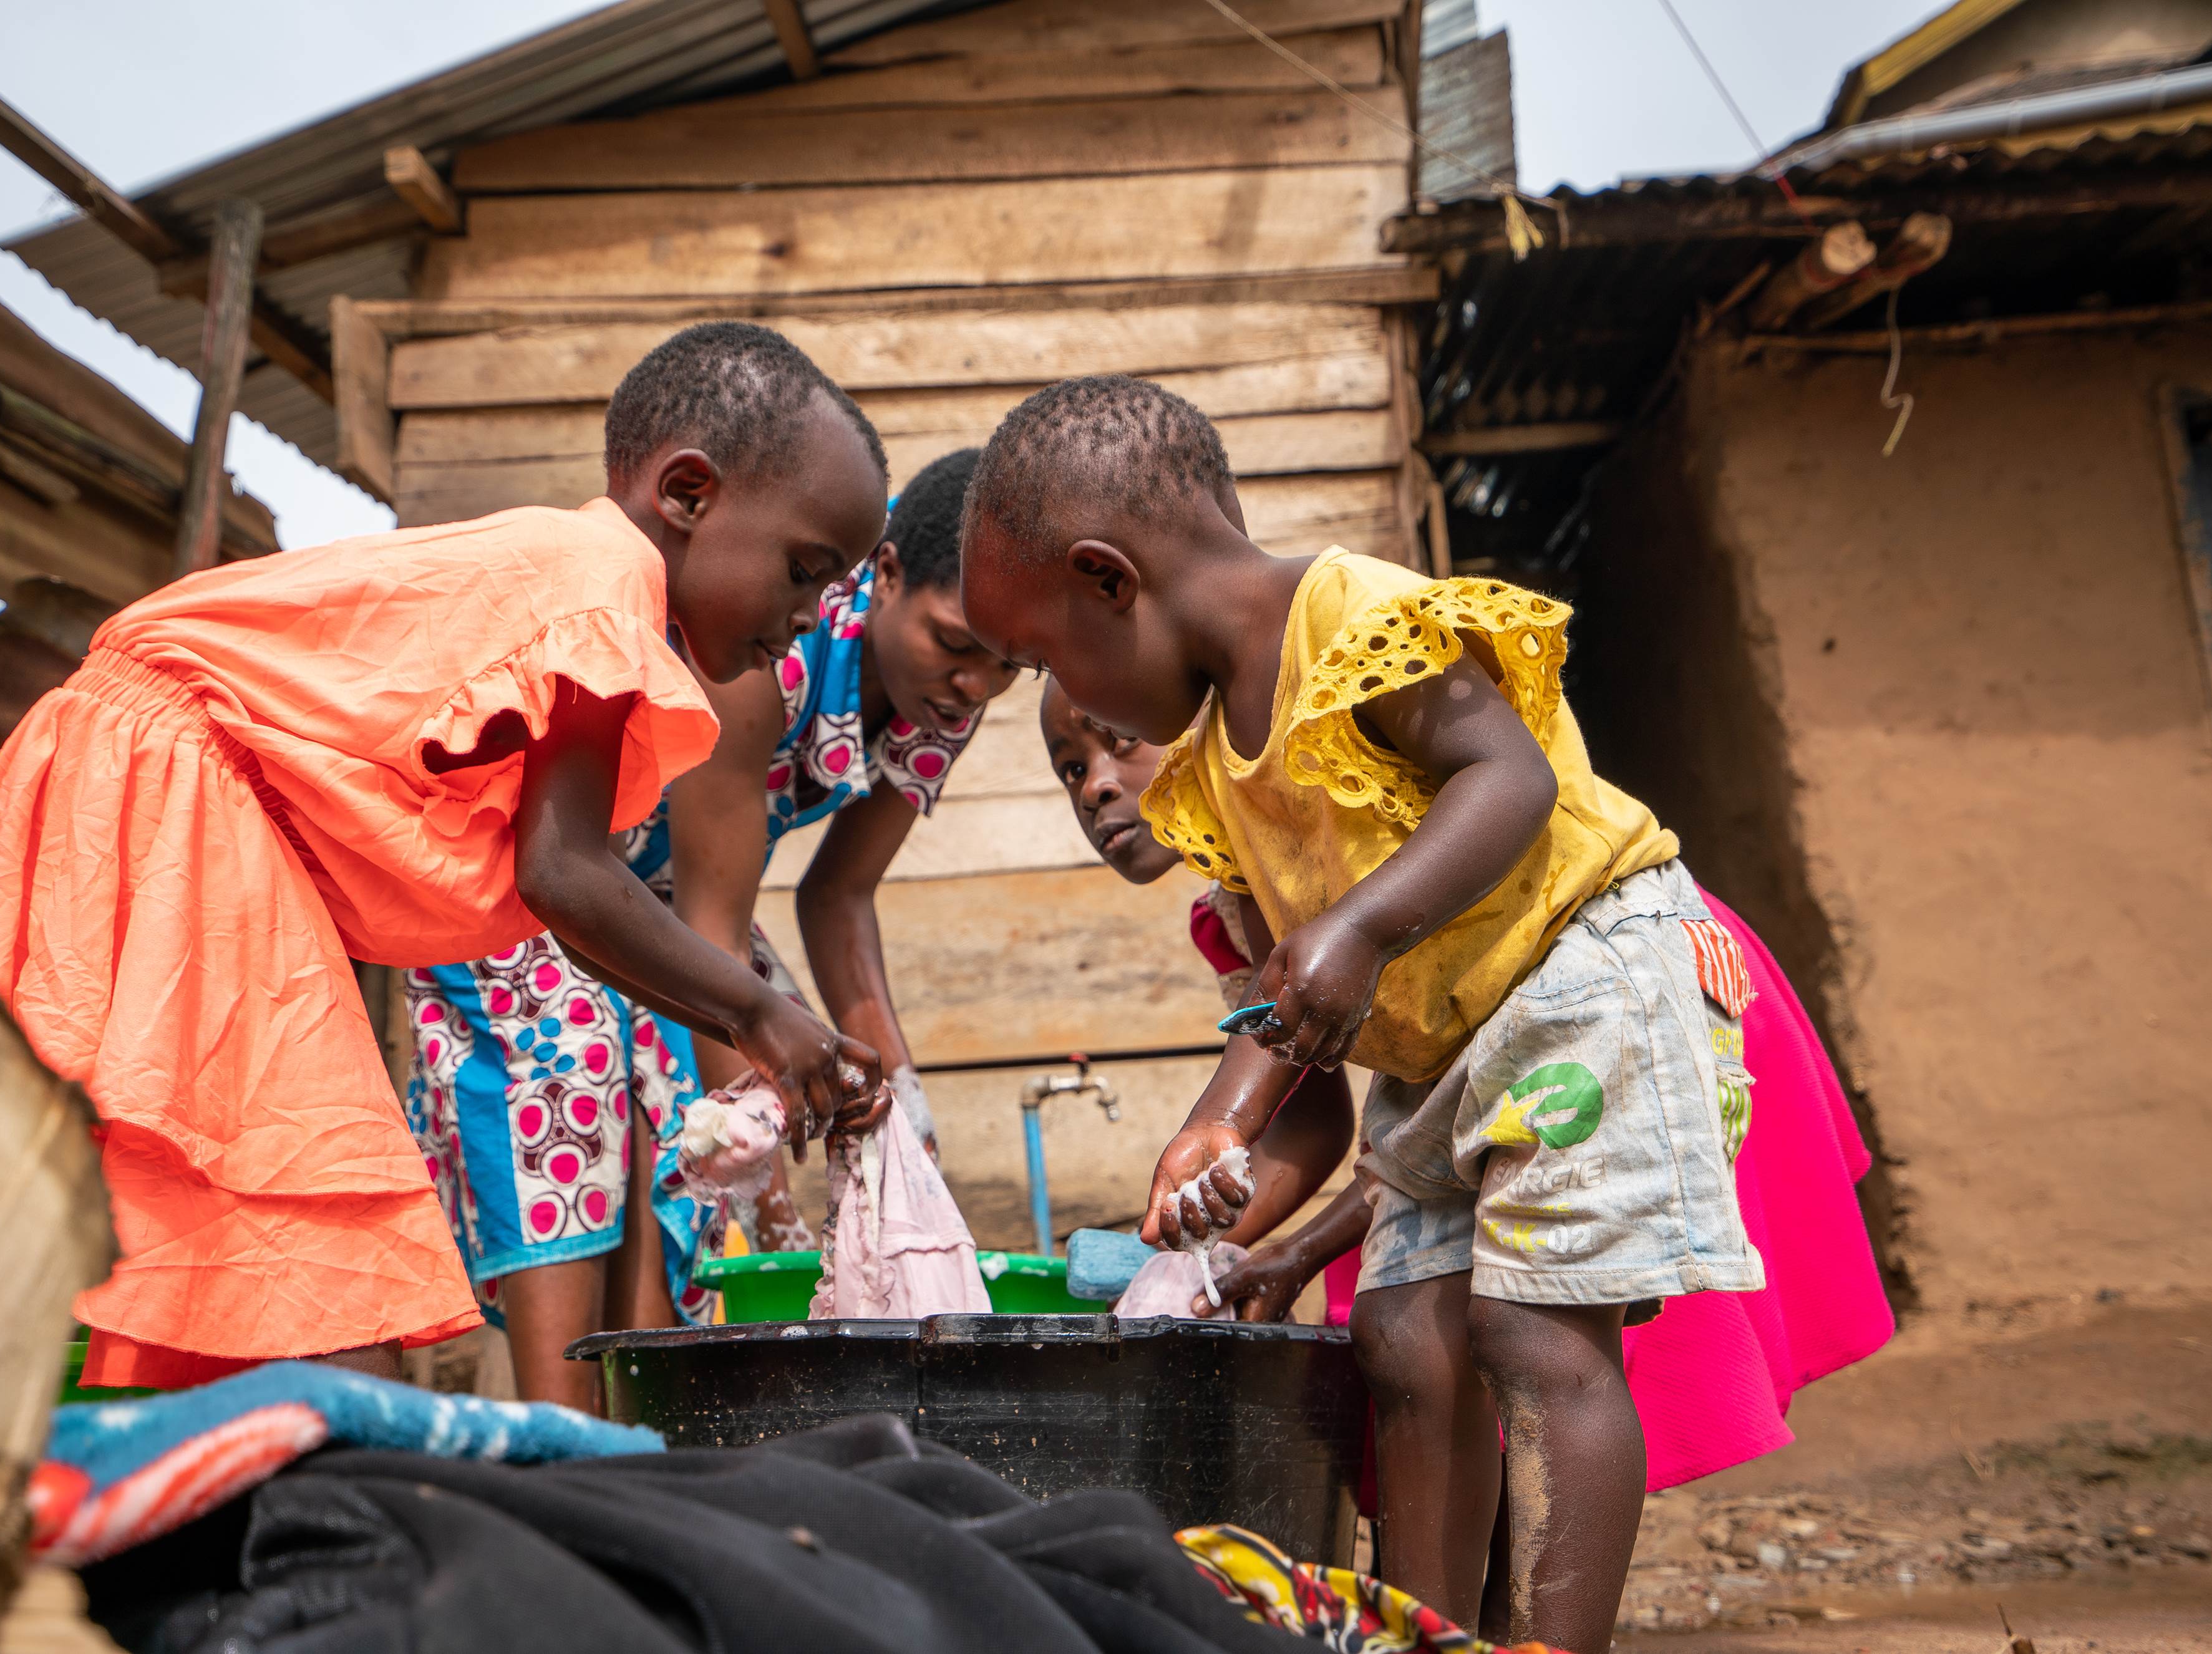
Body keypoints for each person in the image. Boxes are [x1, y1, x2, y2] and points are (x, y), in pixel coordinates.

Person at [0, 322, 893, 1393]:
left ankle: (169, 1503)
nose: (811, 617)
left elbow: (570, 911)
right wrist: (766, 1013)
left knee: (232, 1247)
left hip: (144, 783)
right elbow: (566, 875)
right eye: (805, 570)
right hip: (175, 787)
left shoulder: (586, 586)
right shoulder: (600, 582)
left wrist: (745, 1023)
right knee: (311, 1254)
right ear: (686, 494)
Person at [959, 375, 1759, 1654]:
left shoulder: (1352, 615)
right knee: (1398, 1339)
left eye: (1053, 658)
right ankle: (1420, 1636)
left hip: (1578, 971)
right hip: (1433, 1047)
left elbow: (1508, 776)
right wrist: (1218, 1125)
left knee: (1530, 1330)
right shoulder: (1212, 769)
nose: (1073, 700)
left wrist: (1358, 926)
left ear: (1111, 579)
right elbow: (1279, 1001)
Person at [407, 448, 1018, 1406]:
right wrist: (775, 1199)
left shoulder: (944, 700)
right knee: (577, 1088)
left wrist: (900, 1092)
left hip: (651, 898)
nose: (975, 685)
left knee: (691, 1144)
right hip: (536, 875)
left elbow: (838, 897)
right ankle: (569, 1435)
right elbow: (714, 938)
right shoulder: (767, 670)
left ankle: (648, 1439)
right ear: (888, 576)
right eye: (955, 646)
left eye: (1005, 666)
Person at [1037, 677, 1356, 1269]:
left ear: (1202, 723)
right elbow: (1312, 1117)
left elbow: (1432, 1115)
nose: (1095, 788)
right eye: (1072, 771)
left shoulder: (1332, 849)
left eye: (1124, 741)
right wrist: (1183, 1254)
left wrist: (1304, 1252)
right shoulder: (1229, 920)